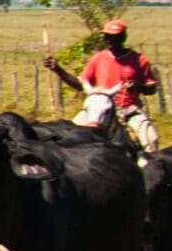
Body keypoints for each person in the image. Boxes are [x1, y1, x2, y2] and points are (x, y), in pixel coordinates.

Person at [46, 20, 159, 154]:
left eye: (113, 36)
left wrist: (138, 87)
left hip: (128, 110)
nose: (109, 39)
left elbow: (152, 88)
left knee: (150, 140)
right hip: (98, 109)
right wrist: (58, 69)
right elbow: (81, 84)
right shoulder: (98, 58)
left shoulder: (139, 60)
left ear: (123, 37)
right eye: (106, 36)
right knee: (67, 138)